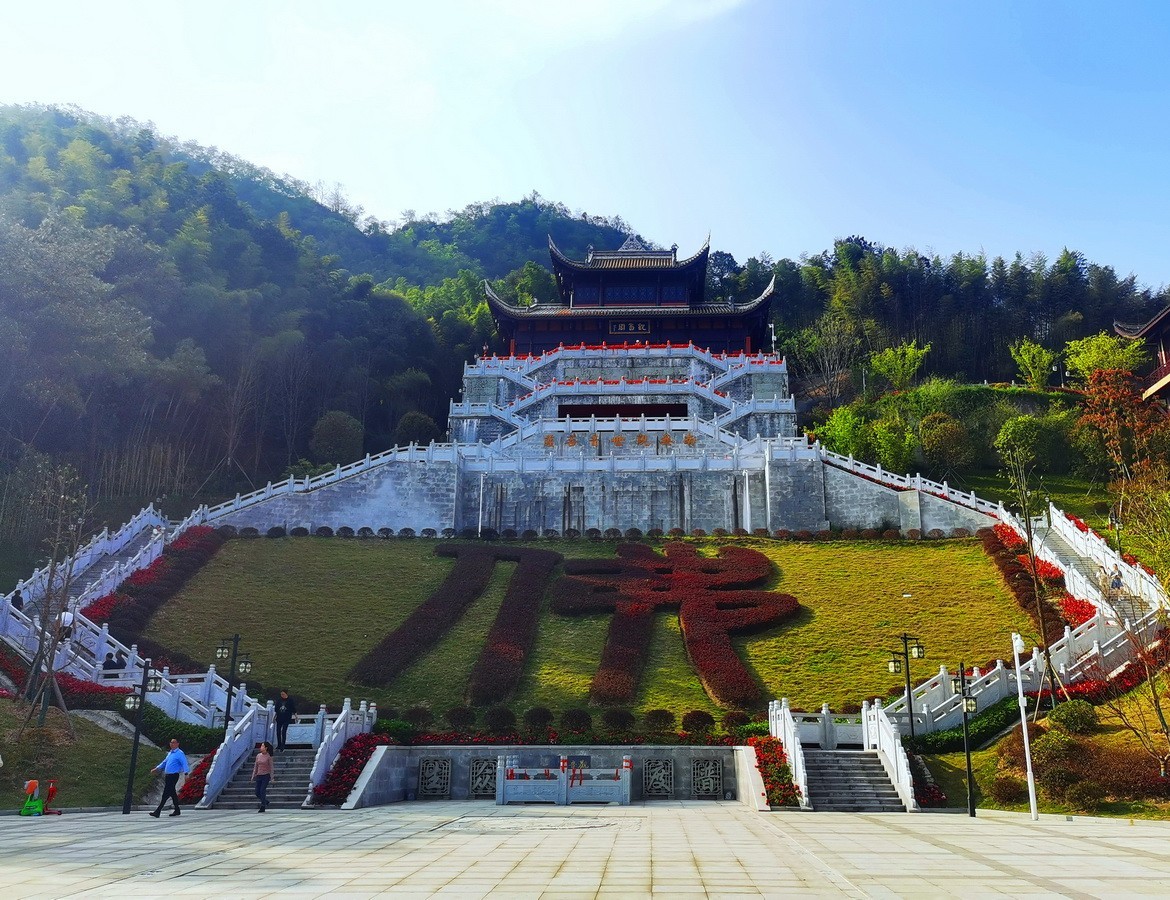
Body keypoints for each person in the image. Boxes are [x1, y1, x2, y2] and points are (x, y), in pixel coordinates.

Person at [150, 737, 190, 818]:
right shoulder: (170, 753)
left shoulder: (180, 753)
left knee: (166, 793)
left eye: (174, 742)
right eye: (171, 742)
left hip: (173, 776)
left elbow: (184, 763)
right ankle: (177, 810)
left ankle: (158, 811)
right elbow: (164, 762)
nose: (172, 744)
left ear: (178, 744)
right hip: (168, 776)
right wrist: (157, 768)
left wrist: (186, 773)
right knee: (172, 793)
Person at [251, 741, 275, 812]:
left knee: (262, 790)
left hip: (266, 776)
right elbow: (256, 766)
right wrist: (253, 775)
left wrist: (272, 777)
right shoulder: (258, 756)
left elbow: (271, 767)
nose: (261, 747)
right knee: (257, 792)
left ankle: (263, 806)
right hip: (259, 775)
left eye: (262, 746)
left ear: (266, 748)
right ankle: (265, 801)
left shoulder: (269, 756)